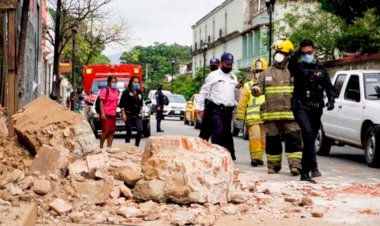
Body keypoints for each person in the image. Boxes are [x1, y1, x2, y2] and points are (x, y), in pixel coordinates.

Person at [251, 39, 303, 176]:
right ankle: (273, 166)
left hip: (290, 114)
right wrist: (256, 89)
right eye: (277, 52)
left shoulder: (294, 71)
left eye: (281, 52)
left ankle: (295, 166)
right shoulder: (266, 73)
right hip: (271, 114)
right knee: (272, 142)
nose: (278, 55)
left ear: (289, 55)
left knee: (293, 140)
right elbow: (258, 85)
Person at [288, 39, 336, 183]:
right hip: (302, 107)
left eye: (309, 52)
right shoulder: (298, 67)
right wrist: (297, 52)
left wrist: (331, 100)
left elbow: (329, 87)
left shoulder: (320, 68)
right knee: (307, 134)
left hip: (316, 108)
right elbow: (290, 63)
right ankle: (305, 173)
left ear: (314, 51)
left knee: (311, 138)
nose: (307, 55)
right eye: (304, 53)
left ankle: (308, 170)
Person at [195, 52, 240, 160]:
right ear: (221, 63)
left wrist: (238, 90)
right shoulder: (213, 76)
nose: (229, 66)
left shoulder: (233, 77)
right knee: (218, 130)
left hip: (228, 110)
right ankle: (216, 156)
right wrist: (199, 107)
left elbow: (235, 94)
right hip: (216, 108)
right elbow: (204, 92)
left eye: (230, 64)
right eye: (227, 64)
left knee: (227, 133)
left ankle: (229, 156)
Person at [236, 58, 267, 167]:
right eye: (257, 71)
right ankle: (254, 158)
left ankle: (259, 158)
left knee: (263, 140)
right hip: (252, 117)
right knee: (255, 137)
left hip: (265, 118)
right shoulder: (248, 86)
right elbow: (242, 101)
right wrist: (240, 114)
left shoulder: (268, 85)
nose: (258, 74)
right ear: (254, 72)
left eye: (261, 71)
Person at [199, 57, 220, 140]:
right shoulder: (209, 77)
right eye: (212, 66)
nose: (213, 68)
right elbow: (204, 93)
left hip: (219, 107)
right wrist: (201, 108)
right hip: (209, 105)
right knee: (204, 133)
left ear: (219, 65)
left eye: (215, 66)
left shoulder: (225, 76)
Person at [119, 76, 143, 147]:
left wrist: (140, 111)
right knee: (129, 130)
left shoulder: (139, 92)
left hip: (137, 114)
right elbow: (122, 104)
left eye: (138, 82)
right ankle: (127, 146)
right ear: (131, 82)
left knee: (140, 130)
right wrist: (123, 114)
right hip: (128, 113)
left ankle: (136, 146)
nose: (136, 84)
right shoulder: (126, 92)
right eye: (134, 82)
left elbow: (141, 104)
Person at [99, 76, 119, 150]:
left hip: (113, 114)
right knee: (105, 131)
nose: (114, 83)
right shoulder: (105, 90)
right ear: (108, 83)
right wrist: (102, 113)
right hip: (106, 114)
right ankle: (101, 147)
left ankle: (109, 148)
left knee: (111, 132)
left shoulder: (117, 91)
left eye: (115, 82)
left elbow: (116, 102)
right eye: (113, 82)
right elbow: (101, 102)